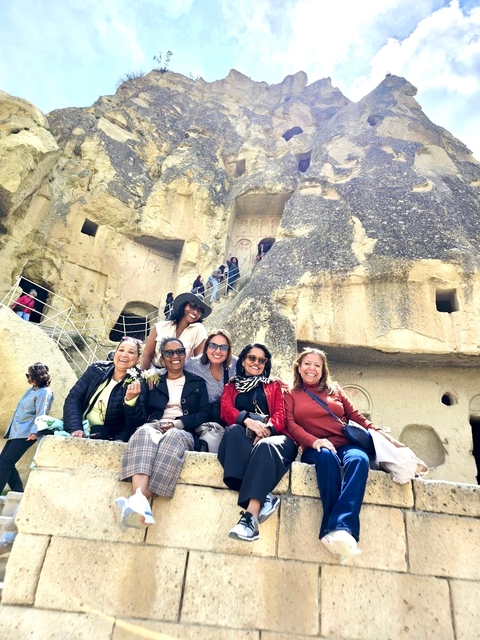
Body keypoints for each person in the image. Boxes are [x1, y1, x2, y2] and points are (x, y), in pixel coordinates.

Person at [284, 348, 382, 563]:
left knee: (359, 459)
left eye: (317, 365)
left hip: (345, 444)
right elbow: (290, 424)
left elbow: (355, 416)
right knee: (327, 458)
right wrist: (314, 441)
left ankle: (341, 530)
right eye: (307, 364)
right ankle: (337, 530)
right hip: (315, 447)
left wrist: (377, 431)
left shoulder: (335, 390)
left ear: (323, 370)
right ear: (299, 368)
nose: (312, 368)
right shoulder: (290, 394)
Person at [113, 337, 210, 529]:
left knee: (172, 437)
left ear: (185, 355)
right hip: (155, 424)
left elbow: (205, 412)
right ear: (162, 357)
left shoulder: (197, 382)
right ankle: (140, 502)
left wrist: (179, 423)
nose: (175, 356)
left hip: (183, 430)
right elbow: (140, 415)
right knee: (143, 432)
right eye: (169, 353)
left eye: (179, 352)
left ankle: (136, 501)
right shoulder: (153, 380)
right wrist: (131, 399)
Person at [218, 343, 298, 542]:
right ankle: (265, 496)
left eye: (261, 360)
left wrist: (267, 430)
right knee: (233, 432)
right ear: (243, 361)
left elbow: (280, 414)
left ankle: (250, 518)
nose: (256, 363)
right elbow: (226, 410)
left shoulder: (273, 385)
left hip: (276, 438)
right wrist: (247, 421)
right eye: (252, 358)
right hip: (246, 432)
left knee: (264, 446)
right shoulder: (232, 385)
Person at [63, 337, 143, 441]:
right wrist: (75, 428)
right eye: (121, 350)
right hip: (80, 428)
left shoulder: (140, 382)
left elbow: (136, 422)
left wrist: (131, 401)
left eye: (131, 352)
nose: (124, 355)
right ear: (115, 353)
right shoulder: (96, 369)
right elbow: (73, 399)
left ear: (139, 358)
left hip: (108, 438)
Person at [0, 363, 54, 494]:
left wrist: (35, 431)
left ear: (37, 376)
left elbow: (41, 413)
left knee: (6, 463)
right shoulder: (31, 390)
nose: (28, 378)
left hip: (27, 433)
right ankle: (18, 493)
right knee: (4, 462)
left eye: (29, 375)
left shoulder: (44, 392)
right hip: (17, 431)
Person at [184, 329, 237, 453]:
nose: (218, 351)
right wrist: (152, 375)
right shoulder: (193, 365)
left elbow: (253, 369)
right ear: (206, 346)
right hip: (204, 421)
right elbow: (173, 370)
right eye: (213, 345)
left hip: (229, 420)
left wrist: (274, 380)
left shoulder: (235, 364)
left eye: (223, 347)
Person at [141, 292, 211, 369]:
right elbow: (147, 355)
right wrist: (144, 376)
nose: (195, 311)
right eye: (192, 306)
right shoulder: (160, 326)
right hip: (154, 374)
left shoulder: (199, 330)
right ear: (184, 305)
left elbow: (199, 360)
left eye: (200, 310)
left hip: (180, 374)